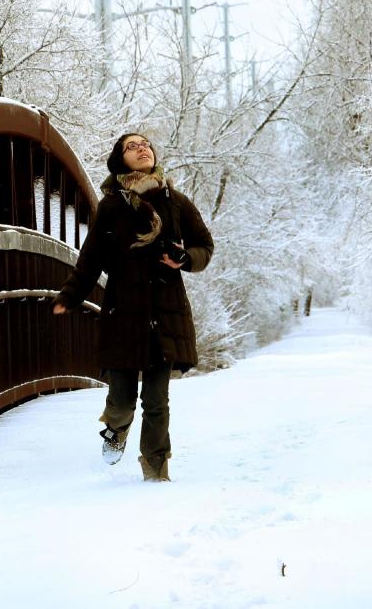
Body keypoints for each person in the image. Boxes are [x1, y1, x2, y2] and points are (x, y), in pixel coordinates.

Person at [52, 133, 214, 482]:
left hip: (165, 312)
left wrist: (185, 259)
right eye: (131, 146)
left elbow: (204, 246)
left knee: (157, 401)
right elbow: (91, 259)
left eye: (145, 144)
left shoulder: (176, 202)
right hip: (122, 314)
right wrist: (70, 296)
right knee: (123, 401)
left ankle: (156, 471)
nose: (142, 148)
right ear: (119, 160)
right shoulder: (111, 206)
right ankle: (115, 430)